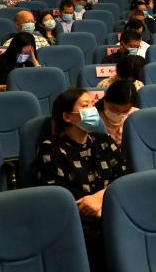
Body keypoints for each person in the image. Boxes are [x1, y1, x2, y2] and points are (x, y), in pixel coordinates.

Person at [34, 88, 126, 221]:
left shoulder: (104, 140)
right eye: (85, 105)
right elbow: (58, 195)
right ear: (67, 117)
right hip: (74, 219)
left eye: (93, 104)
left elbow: (124, 177)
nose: (93, 110)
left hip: (113, 210)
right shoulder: (51, 148)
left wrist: (99, 198)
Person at [99, 79, 138, 148]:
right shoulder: (94, 118)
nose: (118, 114)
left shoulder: (136, 116)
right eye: (114, 109)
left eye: (125, 111)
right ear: (106, 100)